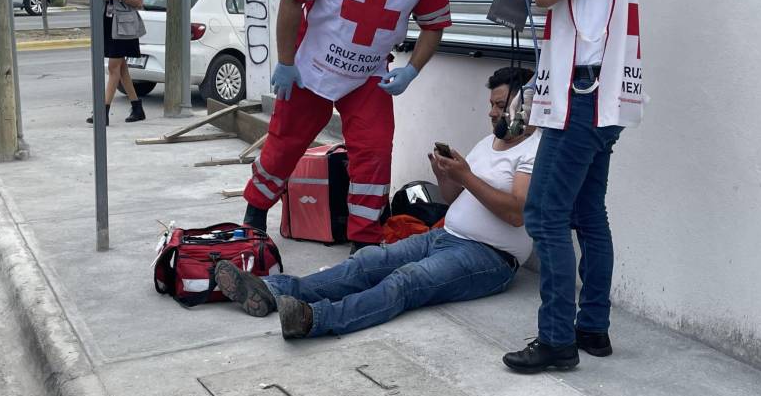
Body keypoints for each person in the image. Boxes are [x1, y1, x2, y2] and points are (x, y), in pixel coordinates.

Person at [216, 67, 540, 339]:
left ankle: (314, 318)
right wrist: (445, 175)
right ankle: (270, 289)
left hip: (490, 258)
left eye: (500, 105)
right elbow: (456, 197)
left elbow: (516, 214)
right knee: (365, 263)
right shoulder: (490, 142)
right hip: (444, 236)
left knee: (405, 281)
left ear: (524, 105)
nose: (491, 112)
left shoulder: (535, 151)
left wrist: (465, 175)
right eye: (492, 104)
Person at [241, 0, 451, 252]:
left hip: (368, 76)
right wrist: (286, 61)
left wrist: (411, 71)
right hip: (309, 68)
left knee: (373, 153)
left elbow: (434, 25)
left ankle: (364, 241)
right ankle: (255, 211)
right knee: (285, 143)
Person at [500, 0, 648, 373]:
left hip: (583, 100)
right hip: (600, 100)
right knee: (588, 215)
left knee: (544, 215)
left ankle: (557, 339)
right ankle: (592, 329)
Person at [86, 0, 146, 125]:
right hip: (106, 22)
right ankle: (137, 108)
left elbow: (138, 2)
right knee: (122, 69)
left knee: (113, 68)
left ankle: (103, 112)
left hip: (123, 26)